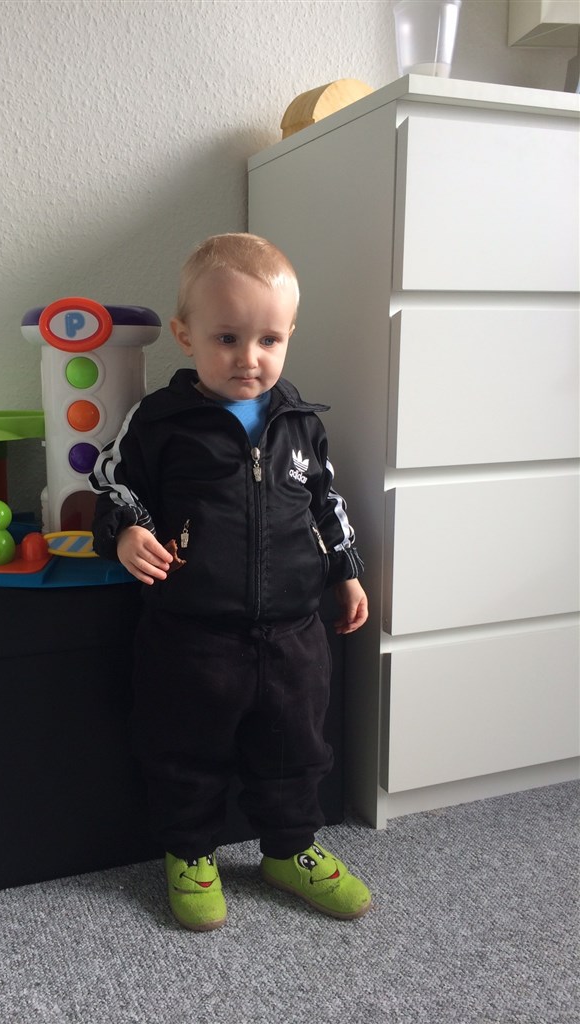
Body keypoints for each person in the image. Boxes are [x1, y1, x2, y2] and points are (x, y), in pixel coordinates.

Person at [90, 233, 371, 932]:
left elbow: (327, 502)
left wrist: (346, 570)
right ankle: (190, 853)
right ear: (185, 335)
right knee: (186, 749)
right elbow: (113, 484)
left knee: (298, 746)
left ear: (289, 335)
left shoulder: (299, 422)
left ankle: (290, 849)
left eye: (269, 339)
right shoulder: (160, 421)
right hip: (192, 634)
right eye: (227, 338)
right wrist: (125, 532)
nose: (250, 358)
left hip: (294, 631)